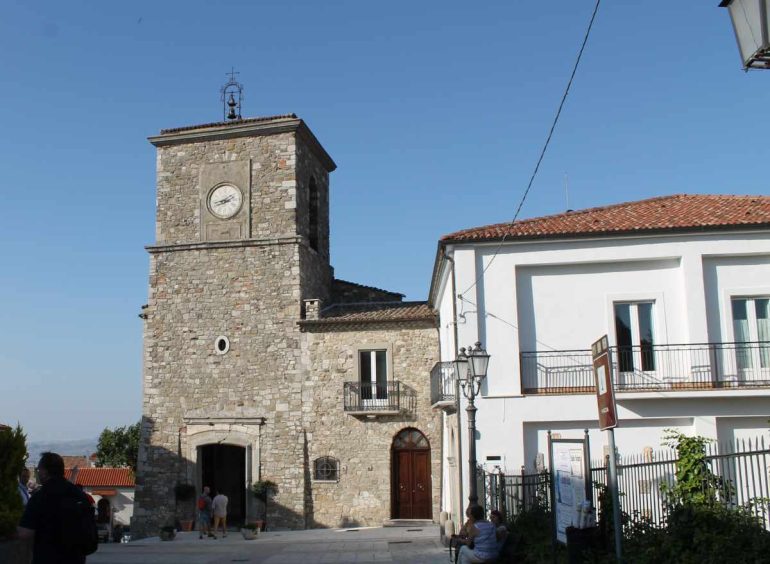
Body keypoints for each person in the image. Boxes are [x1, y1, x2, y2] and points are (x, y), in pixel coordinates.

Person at [17, 452, 94, 563]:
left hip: (47, 558)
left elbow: (25, 533)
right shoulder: (78, 494)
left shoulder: (40, 497)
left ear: (45, 472)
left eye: (39, 470)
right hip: (76, 559)